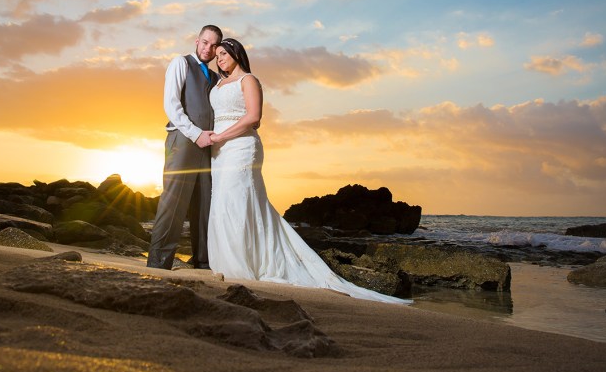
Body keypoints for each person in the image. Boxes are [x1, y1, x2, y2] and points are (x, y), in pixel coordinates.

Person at [206, 38, 410, 304]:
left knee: (239, 201)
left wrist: (220, 136)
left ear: (237, 54)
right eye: (217, 54)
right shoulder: (218, 83)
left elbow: (254, 118)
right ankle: (224, 262)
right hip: (218, 152)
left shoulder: (249, 80)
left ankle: (245, 265)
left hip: (241, 147)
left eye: (224, 53)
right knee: (222, 202)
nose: (219, 58)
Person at [147, 25, 223, 270]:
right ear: (196, 41)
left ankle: (203, 261)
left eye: (213, 46)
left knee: (205, 204)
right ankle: (159, 262)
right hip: (183, 140)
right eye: (205, 42)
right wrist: (195, 134)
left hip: (207, 147)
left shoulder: (215, 78)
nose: (208, 49)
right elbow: (171, 105)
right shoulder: (181, 63)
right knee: (174, 202)